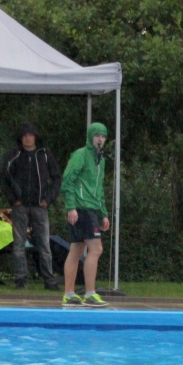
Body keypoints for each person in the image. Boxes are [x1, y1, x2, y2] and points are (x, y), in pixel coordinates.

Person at [0, 122, 62, 291]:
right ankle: (21, 279)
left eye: (30, 135)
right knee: (19, 244)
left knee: (44, 244)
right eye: (25, 135)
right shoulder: (14, 155)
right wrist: (13, 199)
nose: (27, 138)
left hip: (40, 205)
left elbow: (56, 178)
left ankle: (49, 279)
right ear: (21, 138)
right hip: (20, 206)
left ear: (35, 137)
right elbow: (3, 177)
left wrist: (48, 199)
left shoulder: (45, 154)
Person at [61, 122, 110, 308]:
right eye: (97, 135)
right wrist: (71, 207)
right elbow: (68, 181)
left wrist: (103, 213)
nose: (100, 139)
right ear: (90, 137)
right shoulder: (81, 155)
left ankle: (69, 294)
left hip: (90, 208)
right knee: (96, 249)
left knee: (76, 250)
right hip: (82, 208)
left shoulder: (100, 160)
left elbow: (99, 188)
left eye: (103, 136)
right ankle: (90, 294)